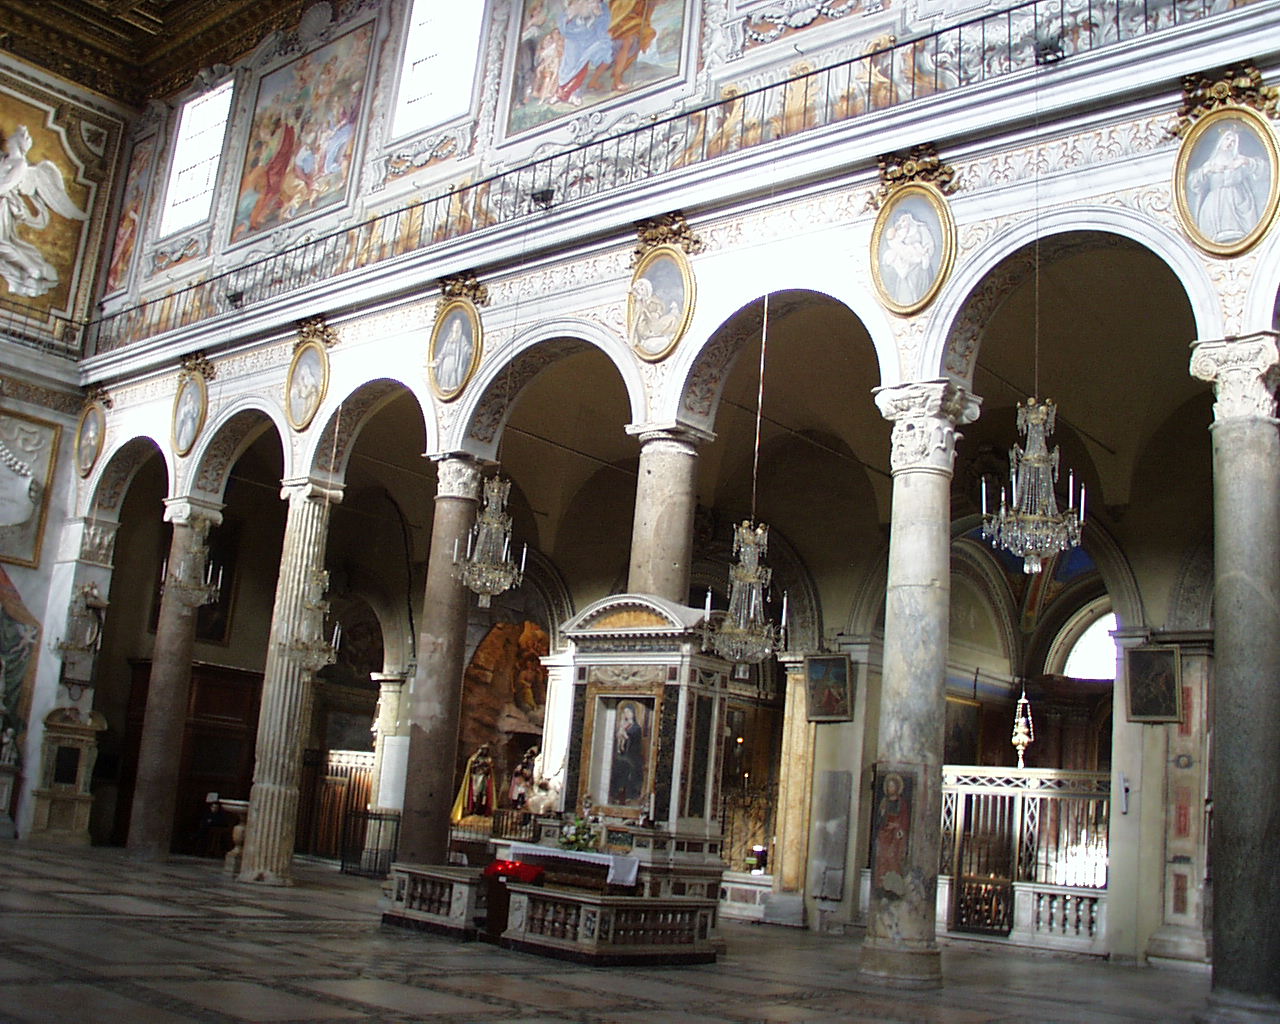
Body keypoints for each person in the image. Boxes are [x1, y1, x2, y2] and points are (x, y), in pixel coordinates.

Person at [0, 124, 87, 299]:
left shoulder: (20, 164)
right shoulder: (4, 158)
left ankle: (31, 268)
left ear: (19, 142)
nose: (8, 138)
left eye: (13, 136)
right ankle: (29, 269)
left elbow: (6, 185)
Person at [1187, 123, 1264, 244]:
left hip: (1237, 203)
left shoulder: (1239, 160)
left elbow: (1263, 169)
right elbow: (1193, 183)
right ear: (1221, 141)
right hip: (1214, 205)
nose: (1230, 143)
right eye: (1227, 139)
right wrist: (1207, 170)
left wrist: (1246, 161)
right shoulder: (1210, 164)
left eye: (1233, 141)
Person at [880, 208, 936, 306]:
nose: (903, 224)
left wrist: (923, 255)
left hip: (919, 267)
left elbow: (929, 245)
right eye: (900, 222)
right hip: (906, 265)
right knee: (905, 292)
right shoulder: (900, 234)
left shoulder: (920, 228)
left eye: (904, 220)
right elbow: (896, 246)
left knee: (919, 290)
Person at [629, 276, 682, 355]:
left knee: (673, 318)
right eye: (639, 289)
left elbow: (661, 307)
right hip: (649, 327)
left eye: (642, 289)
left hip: (655, 321)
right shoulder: (640, 304)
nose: (640, 291)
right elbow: (640, 323)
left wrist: (657, 313)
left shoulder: (652, 299)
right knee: (672, 319)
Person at [450, 743, 496, 823]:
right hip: (476, 778)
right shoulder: (474, 758)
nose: (485, 751)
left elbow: (490, 769)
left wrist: (487, 767)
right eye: (484, 750)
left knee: (483, 795)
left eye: (486, 750)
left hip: (484, 779)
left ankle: (481, 811)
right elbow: (471, 767)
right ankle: (474, 810)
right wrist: (479, 765)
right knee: (475, 795)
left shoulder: (488, 759)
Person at [610, 701, 644, 804]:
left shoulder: (636, 727)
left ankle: (630, 794)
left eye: (629, 712)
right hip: (623, 754)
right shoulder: (623, 725)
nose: (627, 714)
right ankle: (616, 792)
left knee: (626, 765)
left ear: (633, 713)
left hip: (633, 754)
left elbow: (633, 739)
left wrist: (625, 734)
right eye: (625, 712)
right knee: (617, 764)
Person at [433, 315, 471, 393]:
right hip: (446, 361)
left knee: (453, 374)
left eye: (458, 325)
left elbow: (465, 347)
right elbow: (443, 352)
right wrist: (437, 361)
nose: (456, 326)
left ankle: (453, 386)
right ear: (452, 326)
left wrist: (469, 351)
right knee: (446, 373)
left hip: (455, 360)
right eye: (455, 324)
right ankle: (445, 387)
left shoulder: (462, 338)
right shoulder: (448, 339)